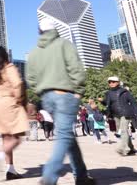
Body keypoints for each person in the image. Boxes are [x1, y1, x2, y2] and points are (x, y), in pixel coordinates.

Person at [26, 18, 95, 185]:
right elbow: (76, 68)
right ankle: (49, 178)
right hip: (65, 94)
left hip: (47, 97)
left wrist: (42, 91)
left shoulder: (34, 52)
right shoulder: (64, 44)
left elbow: (30, 78)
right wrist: (78, 91)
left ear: (39, 31)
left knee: (68, 136)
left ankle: (82, 176)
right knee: (64, 135)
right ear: (54, 30)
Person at [0, 46, 28, 180]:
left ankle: (11, 170)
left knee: (6, 138)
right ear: (5, 56)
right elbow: (18, 84)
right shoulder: (9, 67)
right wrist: (19, 100)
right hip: (7, 102)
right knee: (17, 137)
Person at [100, 76, 137, 156]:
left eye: (113, 82)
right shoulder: (108, 93)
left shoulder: (124, 91)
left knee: (123, 130)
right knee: (122, 132)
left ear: (118, 82)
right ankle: (131, 149)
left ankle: (123, 149)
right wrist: (102, 101)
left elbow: (133, 102)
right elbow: (109, 103)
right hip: (115, 114)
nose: (111, 83)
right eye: (109, 82)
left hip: (125, 113)